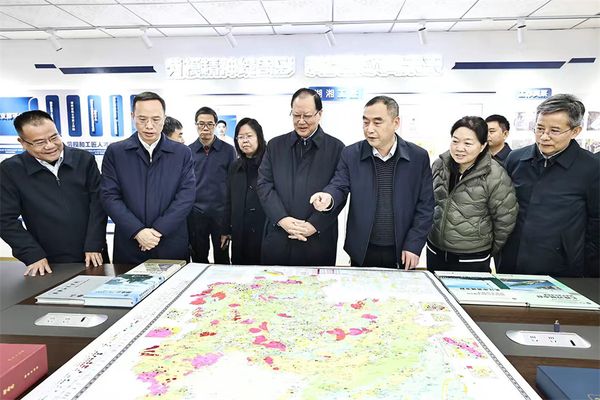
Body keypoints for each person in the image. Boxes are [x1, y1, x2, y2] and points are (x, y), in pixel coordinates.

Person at [310, 96, 433, 269]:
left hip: (402, 250)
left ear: (396, 122)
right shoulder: (351, 154)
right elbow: (339, 185)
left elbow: (426, 206)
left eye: (377, 122)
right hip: (362, 249)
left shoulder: (418, 157)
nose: (369, 129)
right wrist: (328, 197)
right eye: (365, 122)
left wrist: (414, 244)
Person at [499, 94, 599, 277]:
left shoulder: (592, 167)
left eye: (554, 131)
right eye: (539, 128)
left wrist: (590, 270)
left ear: (575, 131)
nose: (544, 137)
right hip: (513, 262)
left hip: (562, 268)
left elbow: (596, 223)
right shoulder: (516, 159)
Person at [0, 110, 107, 276]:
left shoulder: (84, 159)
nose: (50, 146)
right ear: (23, 143)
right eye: (39, 142)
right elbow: (4, 219)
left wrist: (94, 244)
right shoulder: (11, 170)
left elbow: (99, 204)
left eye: (54, 137)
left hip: (92, 254)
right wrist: (32, 254)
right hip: (46, 260)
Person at [101, 92, 195, 264]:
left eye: (156, 119)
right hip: (130, 243)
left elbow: (186, 196)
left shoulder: (181, 153)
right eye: (142, 119)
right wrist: (138, 231)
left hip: (170, 241)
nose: (149, 126)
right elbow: (109, 196)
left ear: (164, 118)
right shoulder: (116, 152)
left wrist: (158, 231)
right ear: (132, 116)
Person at [257, 88, 345, 266]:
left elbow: (340, 189)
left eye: (307, 116)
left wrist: (313, 225)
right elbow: (264, 184)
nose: (301, 121)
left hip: (317, 239)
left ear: (320, 114)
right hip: (279, 234)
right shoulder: (275, 146)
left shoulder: (336, 148)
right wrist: (282, 219)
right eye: (296, 115)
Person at [426, 116, 518, 272]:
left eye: (468, 143)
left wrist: (486, 249)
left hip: (472, 257)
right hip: (435, 250)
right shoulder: (439, 164)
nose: (459, 148)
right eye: (455, 141)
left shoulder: (495, 175)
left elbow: (505, 219)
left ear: (482, 146)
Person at [188, 107, 236, 264]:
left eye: (210, 124)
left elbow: (233, 185)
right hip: (196, 214)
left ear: (215, 125)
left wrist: (229, 223)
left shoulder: (228, 151)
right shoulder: (188, 151)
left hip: (221, 215)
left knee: (222, 259)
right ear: (196, 125)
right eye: (201, 124)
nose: (205, 128)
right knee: (198, 258)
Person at [221, 118, 267, 265]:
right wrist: (225, 230)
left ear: (259, 137)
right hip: (240, 231)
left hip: (264, 230)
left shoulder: (269, 163)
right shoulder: (235, 166)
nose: (245, 141)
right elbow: (228, 199)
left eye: (249, 136)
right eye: (240, 137)